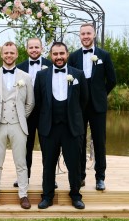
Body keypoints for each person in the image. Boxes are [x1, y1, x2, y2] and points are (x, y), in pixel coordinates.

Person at [34, 41, 88, 210]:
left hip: (72, 127)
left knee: (74, 164)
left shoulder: (78, 74)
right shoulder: (41, 76)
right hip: (49, 128)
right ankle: (47, 196)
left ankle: (76, 196)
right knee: (48, 164)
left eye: (61, 54)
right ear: (51, 56)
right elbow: (38, 102)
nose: (58, 57)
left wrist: (74, 117)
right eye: (55, 54)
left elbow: (84, 101)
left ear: (67, 54)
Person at [0, 41, 34, 210]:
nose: (9, 55)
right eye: (6, 53)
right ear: (1, 54)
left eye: (12, 53)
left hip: (18, 125)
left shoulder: (25, 77)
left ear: (17, 54)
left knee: (21, 162)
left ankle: (23, 195)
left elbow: (30, 103)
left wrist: (20, 117)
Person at [68, 23, 116, 191]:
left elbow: (112, 80)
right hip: (79, 106)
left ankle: (100, 177)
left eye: (88, 33)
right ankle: (80, 176)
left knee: (99, 141)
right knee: (79, 141)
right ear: (79, 36)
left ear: (94, 35)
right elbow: (70, 79)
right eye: (83, 34)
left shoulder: (104, 55)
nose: (86, 36)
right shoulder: (73, 57)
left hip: (97, 105)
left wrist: (101, 94)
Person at [16, 37, 54, 188]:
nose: (34, 50)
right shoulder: (19, 68)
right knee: (25, 147)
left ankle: (50, 178)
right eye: (31, 47)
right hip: (26, 113)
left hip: (47, 112)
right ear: (27, 49)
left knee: (49, 147)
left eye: (36, 47)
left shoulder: (51, 65)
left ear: (42, 48)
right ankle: (24, 177)